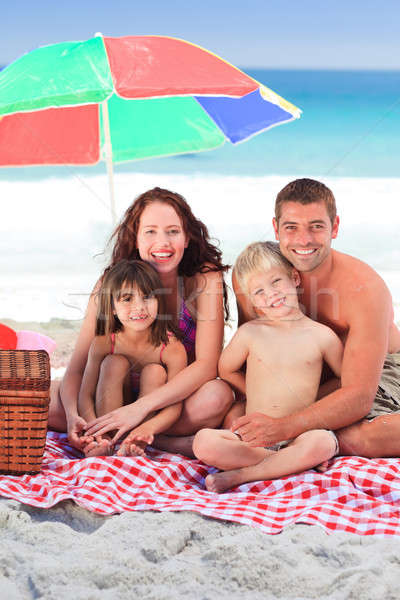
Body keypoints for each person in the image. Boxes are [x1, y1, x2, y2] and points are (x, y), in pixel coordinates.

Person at [49, 187, 233, 455]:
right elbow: (77, 369)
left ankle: (148, 436)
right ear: (135, 239)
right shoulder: (111, 285)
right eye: (150, 232)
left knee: (217, 396)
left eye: (173, 231)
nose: (163, 242)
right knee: (33, 399)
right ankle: (141, 438)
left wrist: (138, 410)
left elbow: (207, 366)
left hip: (171, 403)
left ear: (187, 238)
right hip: (110, 394)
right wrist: (72, 418)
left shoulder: (204, 278)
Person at [229, 178, 400, 458]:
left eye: (316, 226)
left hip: (377, 370)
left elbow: (358, 396)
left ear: (334, 227)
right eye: (291, 227)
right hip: (305, 380)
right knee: (233, 416)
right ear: (276, 228)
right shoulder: (254, 276)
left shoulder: (364, 289)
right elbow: (255, 356)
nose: (303, 240)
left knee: (356, 436)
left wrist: (284, 427)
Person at [193, 242, 343, 493]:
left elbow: (345, 380)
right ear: (252, 301)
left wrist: (312, 402)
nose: (271, 293)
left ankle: (240, 476)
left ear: (294, 277)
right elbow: (226, 369)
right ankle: (291, 464)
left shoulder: (322, 336)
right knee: (203, 442)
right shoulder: (250, 333)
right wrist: (251, 391)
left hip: (300, 435)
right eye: (259, 291)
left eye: (276, 281)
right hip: (255, 440)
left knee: (323, 443)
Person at [78, 259, 187, 458]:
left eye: (147, 297)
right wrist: (94, 431)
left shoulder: (171, 347)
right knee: (114, 362)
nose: (139, 307)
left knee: (155, 371)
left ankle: (133, 444)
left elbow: (174, 404)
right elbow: (86, 394)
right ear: (112, 307)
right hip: (112, 412)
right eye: (127, 299)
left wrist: (147, 429)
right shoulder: (104, 343)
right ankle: (107, 439)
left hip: (146, 417)